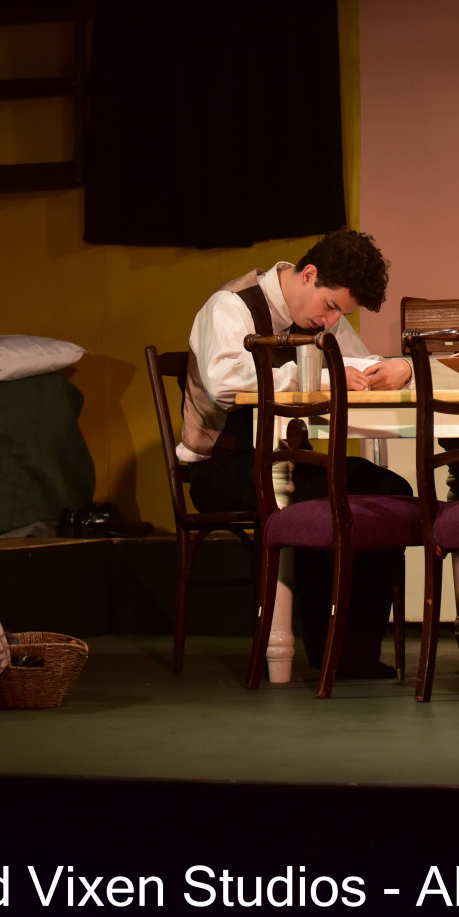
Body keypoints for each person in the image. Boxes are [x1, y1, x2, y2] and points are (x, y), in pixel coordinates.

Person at [178, 228, 414, 678]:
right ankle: (328, 652)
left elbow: (360, 364)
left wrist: (400, 369)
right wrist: (320, 378)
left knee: (389, 491)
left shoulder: (323, 314)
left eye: (341, 313)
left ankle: (355, 652)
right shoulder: (231, 306)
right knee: (319, 500)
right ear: (309, 275)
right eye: (331, 306)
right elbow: (225, 382)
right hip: (226, 465)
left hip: (292, 460)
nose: (332, 320)